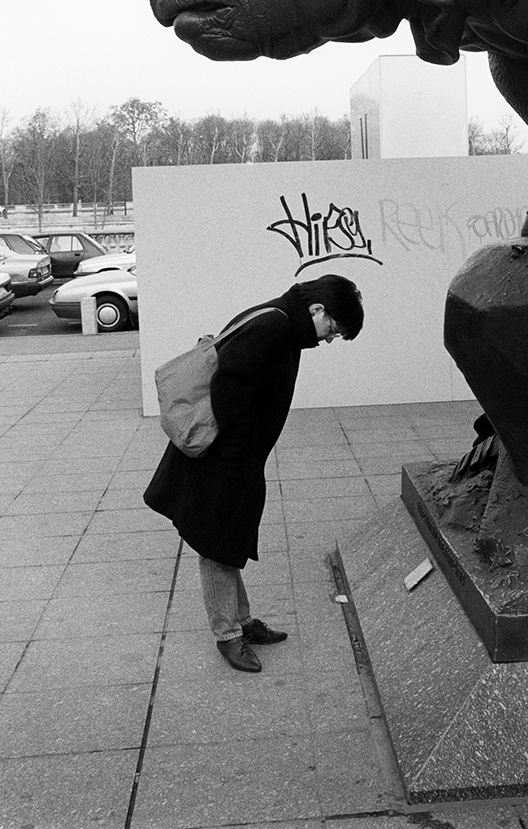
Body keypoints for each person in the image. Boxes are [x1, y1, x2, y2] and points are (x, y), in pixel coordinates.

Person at [144, 274, 364, 672]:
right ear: (317, 310)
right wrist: (237, 455)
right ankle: (227, 635)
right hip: (224, 457)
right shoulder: (274, 326)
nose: (332, 337)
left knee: (228, 539)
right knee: (214, 544)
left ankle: (242, 621)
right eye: (334, 328)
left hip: (236, 456)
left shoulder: (282, 322)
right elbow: (228, 389)